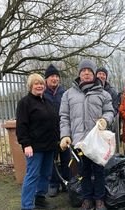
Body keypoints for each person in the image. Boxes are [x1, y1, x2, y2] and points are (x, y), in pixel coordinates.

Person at [59, 59, 114, 210]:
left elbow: (110, 111)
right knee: (83, 172)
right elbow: (64, 117)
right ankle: (87, 199)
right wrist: (65, 135)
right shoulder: (68, 95)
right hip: (79, 141)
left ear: (94, 74)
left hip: (97, 141)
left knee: (99, 171)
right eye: (83, 71)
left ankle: (99, 200)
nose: (86, 73)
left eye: (89, 71)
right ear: (79, 74)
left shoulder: (103, 94)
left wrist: (105, 120)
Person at [16, 73, 59, 210]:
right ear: (30, 86)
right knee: (32, 175)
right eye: (36, 84)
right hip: (34, 147)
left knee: (46, 174)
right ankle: (27, 205)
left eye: (41, 83)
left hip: (49, 145)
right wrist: (26, 144)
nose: (39, 86)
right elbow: (21, 125)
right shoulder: (25, 103)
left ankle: (40, 199)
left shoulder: (47, 102)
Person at [43, 64, 69, 197]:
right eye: (52, 76)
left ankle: (66, 182)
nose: (55, 79)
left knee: (66, 158)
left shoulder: (64, 93)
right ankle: (53, 184)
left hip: (63, 132)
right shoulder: (42, 94)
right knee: (51, 160)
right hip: (49, 133)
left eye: (56, 76)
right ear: (46, 79)